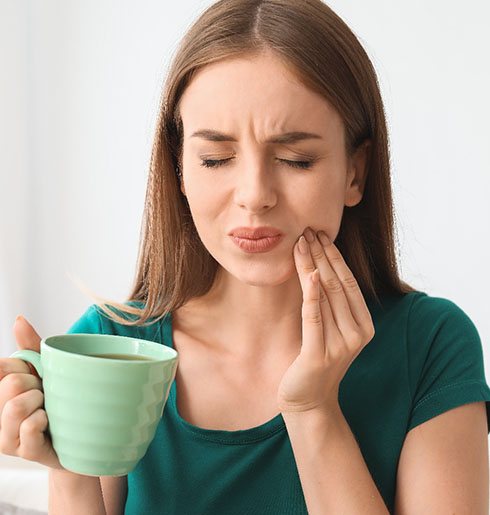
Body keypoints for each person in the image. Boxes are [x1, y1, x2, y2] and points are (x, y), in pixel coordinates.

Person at [1, 0, 490, 513]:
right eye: (215, 159)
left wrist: (313, 411)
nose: (254, 195)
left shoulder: (431, 346)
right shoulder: (108, 348)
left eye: (295, 159)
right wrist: (68, 468)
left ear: (355, 173)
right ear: (180, 169)